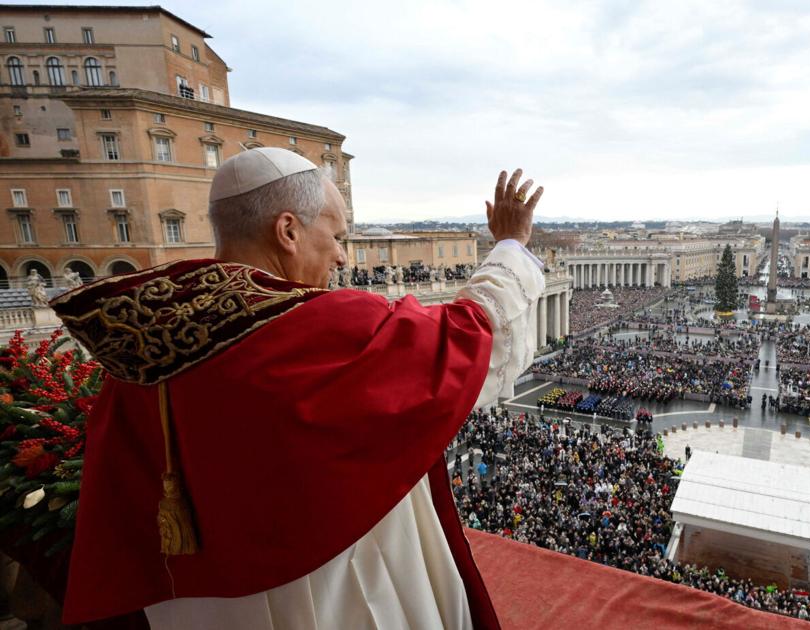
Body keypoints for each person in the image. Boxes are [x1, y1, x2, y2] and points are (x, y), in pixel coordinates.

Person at [51, 148, 547, 630]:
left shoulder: (143, 350)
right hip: (334, 589)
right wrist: (510, 244)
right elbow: (474, 335)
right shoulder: (322, 327)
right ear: (287, 231)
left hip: (201, 606)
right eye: (336, 236)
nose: (341, 255)